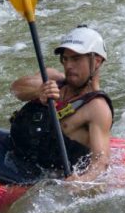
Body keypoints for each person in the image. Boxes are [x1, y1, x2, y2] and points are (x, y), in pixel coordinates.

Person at [9, 25, 113, 183]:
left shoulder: (97, 107)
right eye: (65, 58)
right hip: (14, 156)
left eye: (76, 58)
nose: (68, 65)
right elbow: (16, 89)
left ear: (97, 61)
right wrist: (39, 91)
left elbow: (101, 162)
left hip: (45, 177)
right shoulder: (51, 78)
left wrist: (82, 182)